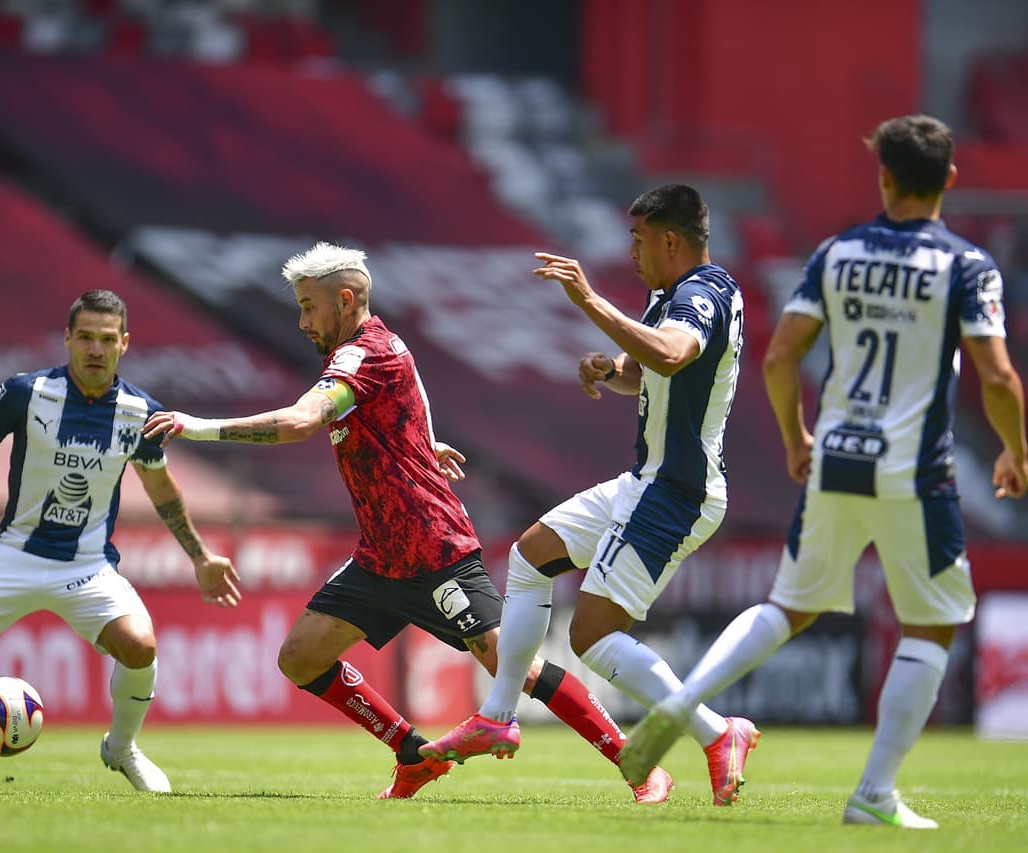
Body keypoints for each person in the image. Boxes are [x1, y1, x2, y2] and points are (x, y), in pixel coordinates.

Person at [142, 242, 672, 802]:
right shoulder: (380, 348)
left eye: (308, 307)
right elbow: (408, 393)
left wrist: (196, 427)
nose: (301, 321)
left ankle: (639, 764)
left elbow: (301, 422)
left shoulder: (360, 356)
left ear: (344, 300)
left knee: (515, 666)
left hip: (433, 549)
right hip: (379, 557)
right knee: (300, 657)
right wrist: (421, 441)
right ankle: (411, 754)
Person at [618, 115, 1028, 829]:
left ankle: (688, 701)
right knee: (931, 625)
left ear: (885, 177)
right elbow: (995, 373)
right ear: (950, 182)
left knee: (789, 605)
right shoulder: (966, 265)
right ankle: (873, 792)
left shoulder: (837, 253)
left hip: (837, 456)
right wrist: (1015, 449)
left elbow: (781, 357)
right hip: (916, 469)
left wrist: (796, 436)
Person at [422, 184, 755, 807]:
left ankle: (717, 732)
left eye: (637, 239)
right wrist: (611, 369)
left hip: (677, 491)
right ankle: (498, 714)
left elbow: (675, 352)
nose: (630, 251)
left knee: (593, 637)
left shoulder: (702, 294)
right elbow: (650, 369)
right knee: (530, 555)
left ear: (670, 240)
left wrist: (588, 300)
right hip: (645, 479)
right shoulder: (676, 294)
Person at [0, 289, 239, 793]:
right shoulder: (25, 393)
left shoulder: (140, 412)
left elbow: (161, 488)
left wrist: (201, 557)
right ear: (67, 339)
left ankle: (121, 748)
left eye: (107, 339)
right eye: (85, 338)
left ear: (124, 343)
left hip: (87, 565)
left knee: (141, 646)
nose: (96, 350)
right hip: (14, 556)